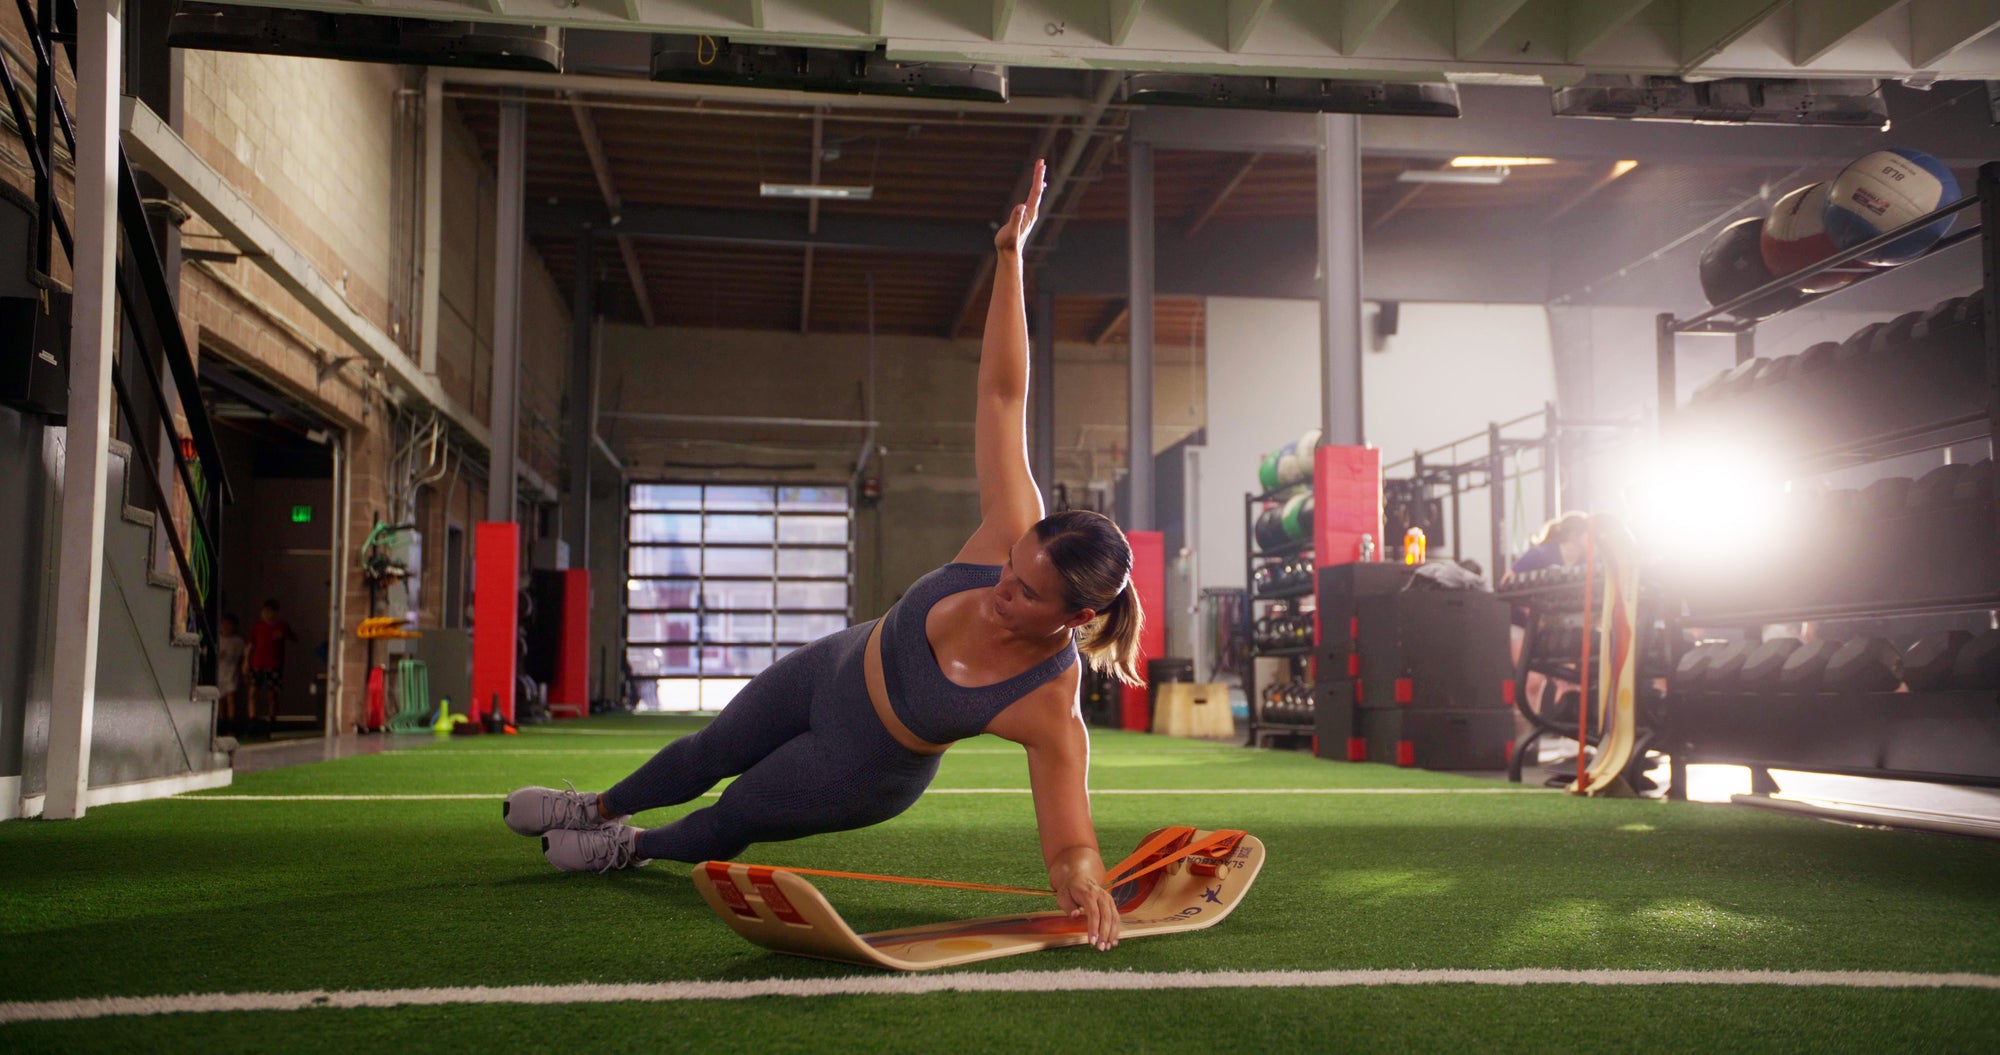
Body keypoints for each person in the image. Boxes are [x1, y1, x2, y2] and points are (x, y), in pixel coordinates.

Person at [503, 161, 1142, 952]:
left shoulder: (1050, 702)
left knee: (734, 811)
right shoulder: (1016, 528)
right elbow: (1003, 398)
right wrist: (1010, 259)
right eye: (1010, 570)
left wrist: (1082, 876)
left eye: (1024, 595)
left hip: (863, 763)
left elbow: (1068, 833)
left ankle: (628, 848)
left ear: (1077, 618)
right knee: (709, 749)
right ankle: (595, 808)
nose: (1003, 587)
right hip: (834, 664)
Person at [246, 598, 297, 740]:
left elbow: (294, 638)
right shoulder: (258, 626)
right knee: (252, 692)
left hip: (274, 665)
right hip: (258, 664)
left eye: (271, 612)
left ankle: (272, 721)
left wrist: (283, 636)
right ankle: (252, 721)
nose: (268, 615)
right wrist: (245, 662)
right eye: (265, 611)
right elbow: (250, 645)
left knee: (272, 695)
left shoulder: (282, 626)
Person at [214, 613, 247, 737]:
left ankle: (232, 726)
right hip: (219, 674)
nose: (226, 627)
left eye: (229, 625)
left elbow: (243, 657)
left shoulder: (238, 641)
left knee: (230, 698)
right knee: (220, 701)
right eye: (223, 625)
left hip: (231, 673)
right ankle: (222, 725)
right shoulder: (218, 639)